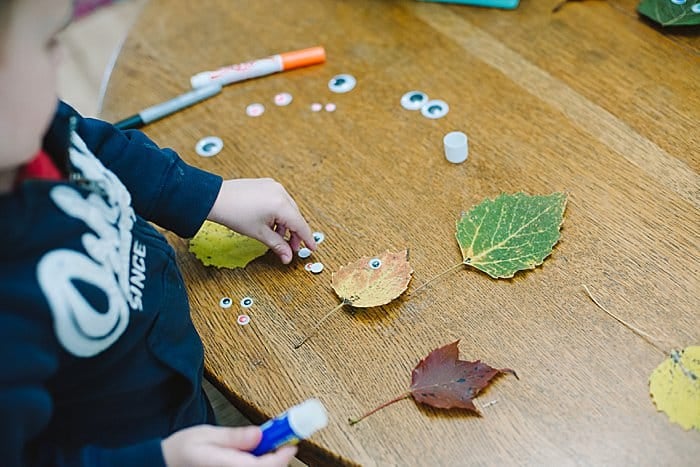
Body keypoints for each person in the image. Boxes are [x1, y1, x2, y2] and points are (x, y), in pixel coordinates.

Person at [0, 0, 316, 465]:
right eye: (47, 42)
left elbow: (93, 143)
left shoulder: (32, 129)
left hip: (178, 391)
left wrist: (207, 195)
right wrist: (162, 460)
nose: (62, 58)